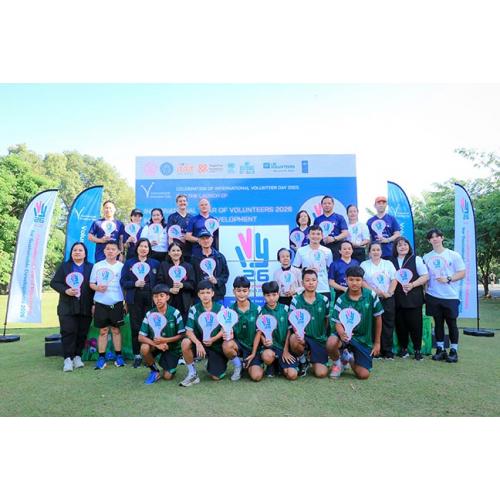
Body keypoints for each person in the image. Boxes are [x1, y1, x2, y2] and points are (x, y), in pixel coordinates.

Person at [327, 266, 383, 380]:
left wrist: (377, 343)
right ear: (346, 280)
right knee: (331, 342)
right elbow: (337, 322)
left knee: (363, 375)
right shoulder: (341, 299)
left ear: (362, 281)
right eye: (351, 279)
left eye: (358, 280)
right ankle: (338, 364)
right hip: (345, 336)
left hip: (363, 339)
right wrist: (341, 333)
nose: (354, 283)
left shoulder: (371, 295)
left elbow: (378, 318)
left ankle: (348, 357)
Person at [50, 242, 95, 372]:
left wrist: (94, 304)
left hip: (85, 305)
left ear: (85, 253)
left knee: (82, 332)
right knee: (68, 331)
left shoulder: (91, 267)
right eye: (75, 250)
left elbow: (94, 286)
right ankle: (68, 359)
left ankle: (77, 356)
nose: (77, 252)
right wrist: (66, 290)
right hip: (67, 305)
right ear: (71, 253)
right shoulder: (65, 266)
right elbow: (54, 283)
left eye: (80, 250)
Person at [423, 228, 466, 363]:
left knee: (452, 323)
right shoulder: (426, 257)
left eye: (437, 236)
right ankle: (440, 349)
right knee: (438, 323)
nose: (435, 239)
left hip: (450, 296)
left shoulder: (453, 255)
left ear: (442, 238)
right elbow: (426, 277)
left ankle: (453, 351)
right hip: (433, 295)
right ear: (429, 241)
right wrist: (425, 292)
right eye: (432, 237)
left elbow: (462, 273)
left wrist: (448, 278)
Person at [120, 238, 160, 368]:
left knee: (150, 326)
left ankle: (150, 354)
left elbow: (159, 281)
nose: (143, 249)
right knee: (136, 326)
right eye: (141, 246)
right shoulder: (129, 263)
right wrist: (134, 283)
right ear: (137, 248)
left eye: (146, 246)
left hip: (150, 298)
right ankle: (137, 355)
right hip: (134, 297)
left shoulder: (155, 263)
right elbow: (123, 281)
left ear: (149, 249)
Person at [179, 280, 227, 387]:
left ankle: (210, 364)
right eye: (202, 293)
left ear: (212, 293)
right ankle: (192, 373)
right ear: (198, 295)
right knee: (185, 342)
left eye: (208, 292)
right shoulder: (194, 309)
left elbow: (224, 329)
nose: (205, 295)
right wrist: (198, 343)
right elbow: (189, 331)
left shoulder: (220, 308)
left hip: (215, 345)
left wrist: (214, 339)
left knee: (216, 377)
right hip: (199, 343)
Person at [389, 236, 429, 360]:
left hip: (413, 298)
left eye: (405, 244)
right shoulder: (390, 261)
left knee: (415, 325)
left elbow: (425, 276)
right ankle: (403, 349)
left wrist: (412, 284)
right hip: (397, 298)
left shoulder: (416, 259)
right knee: (400, 325)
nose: (403, 247)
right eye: (399, 245)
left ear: (409, 246)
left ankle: (417, 350)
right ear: (395, 248)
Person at [138, 284, 186, 384]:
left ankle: (168, 365)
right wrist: (156, 344)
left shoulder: (175, 313)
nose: (158, 299)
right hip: (156, 346)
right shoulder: (149, 314)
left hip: (172, 348)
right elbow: (141, 337)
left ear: (167, 297)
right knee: (144, 347)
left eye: (161, 295)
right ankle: (154, 371)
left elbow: (182, 335)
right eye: (155, 296)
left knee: (167, 376)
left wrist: (165, 340)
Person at [89, 240, 126, 369]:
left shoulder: (121, 266)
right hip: (101, 302)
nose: (110, 251)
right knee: (103, 331)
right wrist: (98, 288)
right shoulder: (97, 266)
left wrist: (125, 302)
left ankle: (119, 356)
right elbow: (91, 284)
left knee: (116, 330)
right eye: (108, 249)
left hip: (117, 302)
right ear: (104, 251)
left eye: (113, 249)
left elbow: (124, 285)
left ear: (118, 251)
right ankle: (101, 357)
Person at [289, 268, 330, 378]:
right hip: (303, 338)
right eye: (307, 280)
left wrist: (323, 336)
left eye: (313, 280)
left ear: (317, 282)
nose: (311, 283)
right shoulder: (296, 300)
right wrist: (299, 334)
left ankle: (313, 356)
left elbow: (326, 320)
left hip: (318, 339)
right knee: (293, 338)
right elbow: (292, 321)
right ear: (302, 283)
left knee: (321, 373)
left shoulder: (324, 300)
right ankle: (303, 360)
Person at [361, 242, 398, 359]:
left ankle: (387, 350)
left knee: (388, 323)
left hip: (387, 298)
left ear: (381, 252)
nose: (376, 252)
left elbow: (394, 279)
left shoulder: (388, 264)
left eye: (378, 250)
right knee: (371, 323)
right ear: (369, 252)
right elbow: (362, 281)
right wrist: (374, 291)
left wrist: (389, 293)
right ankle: (374, 350)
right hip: (371, 298)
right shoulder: (364, 265)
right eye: (373, 250)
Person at [223, 276, 263, 382]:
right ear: (234, 291)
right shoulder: (229, 310)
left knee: (256, 376)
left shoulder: (257, 309)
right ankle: (238, 365)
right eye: (238, 291)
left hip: (253, 347)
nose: (241, 294)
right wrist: (227, 334)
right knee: (226, 345)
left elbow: (259, 333)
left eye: (244, 291)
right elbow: (227, 329)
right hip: (238, 346)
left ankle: (253, 363)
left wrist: (253, 353)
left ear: (249, 291)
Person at [259, 281, 298, 380]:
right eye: (268, 295)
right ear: (263, 296)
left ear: (278, 294)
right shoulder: (261, 312)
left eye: (274, 295)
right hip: (270, 348)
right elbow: (259, 332)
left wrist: (286, 350)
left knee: (292, 375)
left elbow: (290, 330)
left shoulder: (286, 309)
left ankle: (280, 366)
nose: (271, 298)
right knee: (267, 355)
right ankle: (271, 364)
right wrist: (264, 340)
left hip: (285, 347)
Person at [156, 241, 196, 322]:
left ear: (181, 252)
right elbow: (159, 283)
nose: (176, 253)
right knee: (169, 322)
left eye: (178, 250)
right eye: (173, 250)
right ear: (169, 253)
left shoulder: (188, 266)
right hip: (168, 299)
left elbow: (193, 284)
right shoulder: (163, 265)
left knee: (183, 323)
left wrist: (183, 285)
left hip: (184, 301)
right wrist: (169, 290)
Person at [292, 225, 333, 299]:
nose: (315, 236)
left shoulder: (327, 251)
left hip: (323, 288)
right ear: (308, 236)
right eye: (313, 234)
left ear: (322, 236)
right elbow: (295, 270)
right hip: (306, 288)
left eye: (318, 234)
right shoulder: (301, 250)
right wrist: (305, 270)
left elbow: (330, 269)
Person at [190, 230, 229, 303]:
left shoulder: (220, 257)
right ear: (199, 241)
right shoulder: (194, 258)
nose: (205, 241)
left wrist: (217, 281)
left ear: (212, 240)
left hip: (217, 294)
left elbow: (225, 275)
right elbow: (192, 277)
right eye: (202, 239)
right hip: (200, 295)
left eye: (207, 238)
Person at [313, 195, 349, 260]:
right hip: (321, 247)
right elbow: (314, 234)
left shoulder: (339, 217)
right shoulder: (317, 220)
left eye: (329, 203)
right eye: (325, 203)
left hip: (336, 247)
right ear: (321, 205)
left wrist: (334, 238)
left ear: (333, 204)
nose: (327, 205)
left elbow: (345, 233)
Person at [167, 194, 194, 261]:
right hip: (176, 251)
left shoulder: (192, 217)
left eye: (184, 201)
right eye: (180, 201)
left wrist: (187, 237)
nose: (182, 203)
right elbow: (170, 236)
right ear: (177, 203)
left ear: (187, 203)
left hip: (189, 250)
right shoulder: (172, 217)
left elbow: (193, 233)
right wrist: (171, 249)